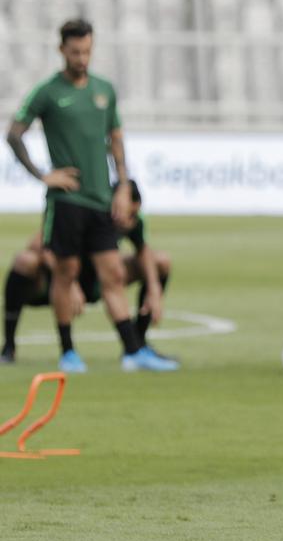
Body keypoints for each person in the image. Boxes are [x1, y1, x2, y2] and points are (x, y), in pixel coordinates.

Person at [6, 19, 177, 373]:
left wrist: (124, 184)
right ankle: (68, 352)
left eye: (86, 51)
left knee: (112, 273)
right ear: (62, 51)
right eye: (75, 52)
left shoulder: (104, 90)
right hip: (67, 201)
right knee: (65, 274)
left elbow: (115, 137)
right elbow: (14, 133)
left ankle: (133, 352)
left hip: (101, 198)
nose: (82, 58)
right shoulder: (48, 92)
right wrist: (43, 175)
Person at [2, 181, 172, 363]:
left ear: (136, 207)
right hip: (58, 280)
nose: (122, 216)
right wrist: (70, 281)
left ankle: (138, 345)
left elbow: (142, 250)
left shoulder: (135, 220)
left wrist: (154, 289)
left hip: (99, 278)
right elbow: (42, 246)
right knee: (25, 261)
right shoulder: (89, 211)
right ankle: (10, 347)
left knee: (160, 261)